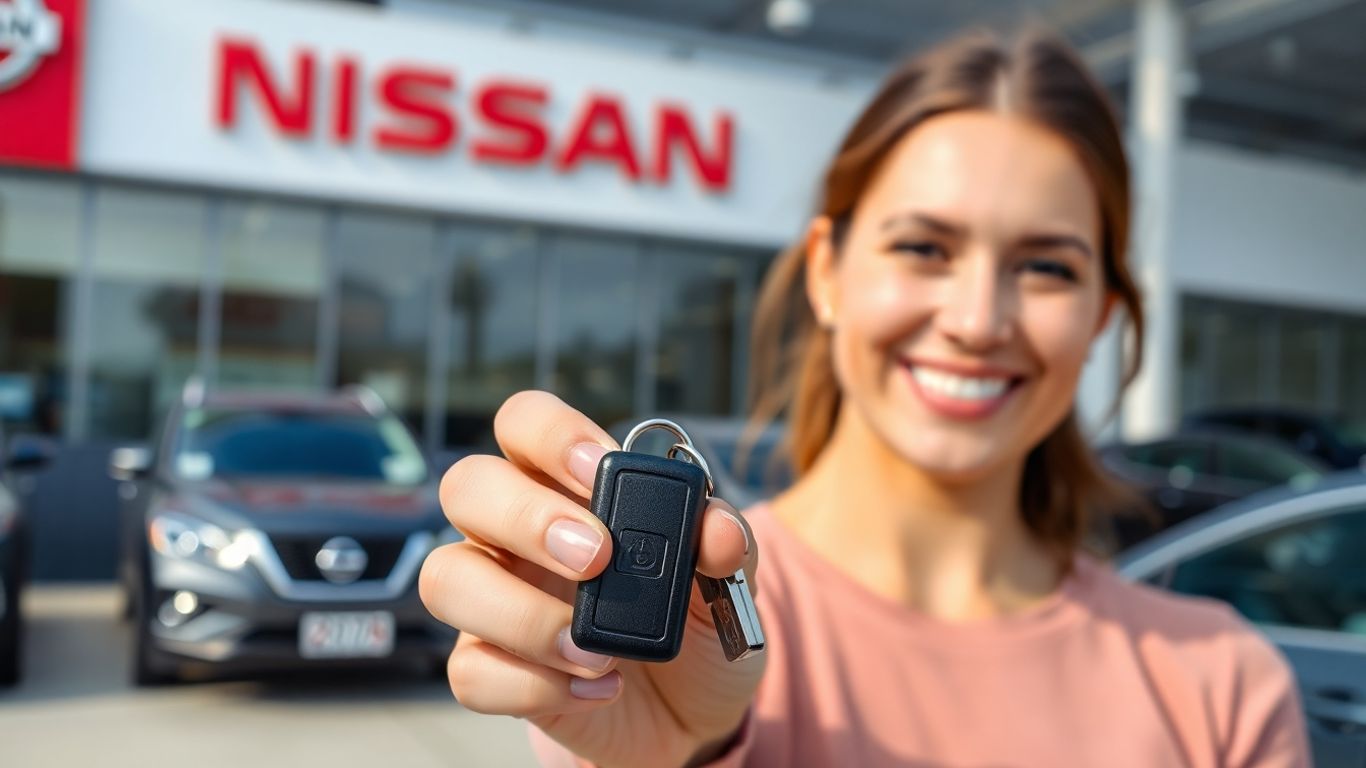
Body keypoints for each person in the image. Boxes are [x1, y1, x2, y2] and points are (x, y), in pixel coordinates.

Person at [419, 26, 1310, 768]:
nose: (977, 320)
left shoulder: (1222, 685)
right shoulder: (682, 633)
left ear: (1101, 315)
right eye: (923, 247)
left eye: (1046, 266)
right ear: (827, 272)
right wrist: (676, 759)